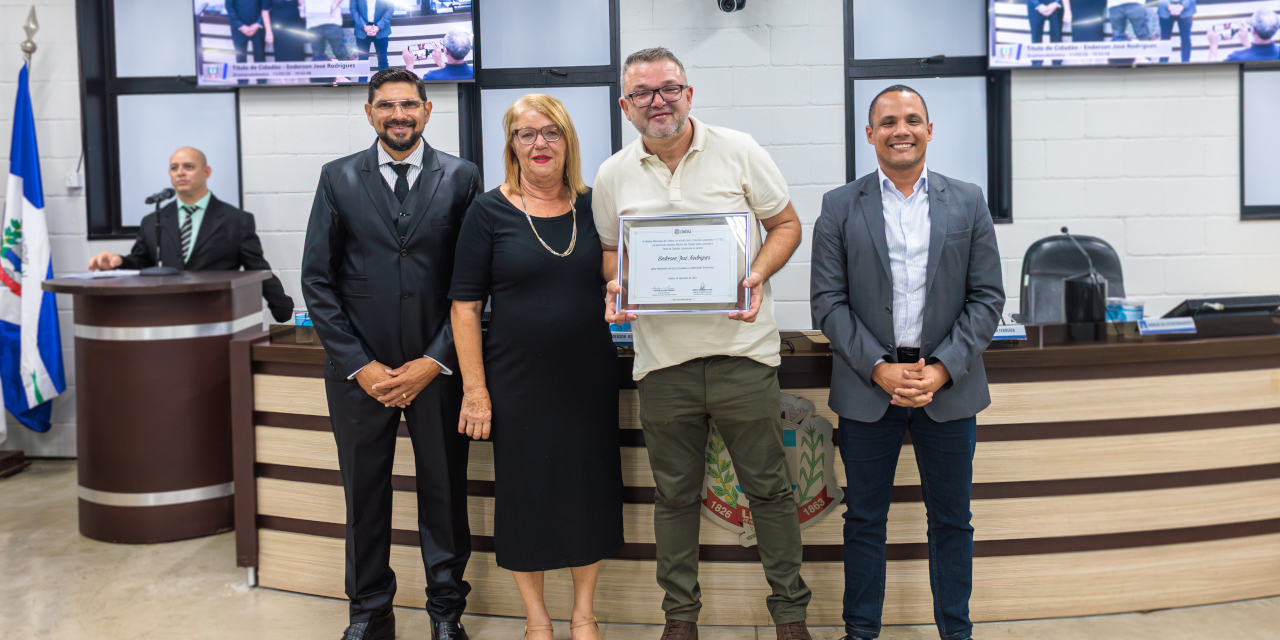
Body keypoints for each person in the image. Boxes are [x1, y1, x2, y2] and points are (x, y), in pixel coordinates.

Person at [595, 47, 812, 640]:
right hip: (663, 364)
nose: (657, 101)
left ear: (689, 94)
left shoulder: (740, 150)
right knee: (675, 498)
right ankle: (680, 621)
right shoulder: (613, 175)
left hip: (744, 356)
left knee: (769, 489)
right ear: (626, 106)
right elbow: (613, 250)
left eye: (669, 88)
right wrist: (615, 283)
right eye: (642, 93)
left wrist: (756, 275)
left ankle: (790, 616)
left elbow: (786, 224)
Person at [810, 85, 1004, 640]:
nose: (902, 129)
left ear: (930, 130)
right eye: (888, 120)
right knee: (865, 521)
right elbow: (827, 301)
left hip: (950, 389)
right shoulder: (839, 205)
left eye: (913, 119)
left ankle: (955, 632)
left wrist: (942, 368)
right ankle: (860, 632)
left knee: (952, 523)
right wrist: (878, 367)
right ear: (869, 134)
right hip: (870, 391)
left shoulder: (967, 200)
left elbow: (987, 297)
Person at [300, 67, 481, 640]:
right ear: (369, 113)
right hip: (360, 376)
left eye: (409, 105)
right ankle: (369, 611)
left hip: (439, 370)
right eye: (386, 106)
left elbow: (475, 284)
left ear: (428, 110)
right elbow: (317, 281)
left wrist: (434, 360)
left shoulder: (462, 177)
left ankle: (446, 614)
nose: (398, 115)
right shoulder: (336, 178)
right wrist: (360, 364)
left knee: (444, 494)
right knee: (365, 494)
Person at [450, 94, 623, 640]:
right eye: (526, 134)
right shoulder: (488, 211)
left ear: (567, 140)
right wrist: (474, 391)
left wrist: (627, 287)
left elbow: (617, 273)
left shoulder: (593, 206)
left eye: (550, 132)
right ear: (512, 145)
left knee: (587, 489)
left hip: (587, 376)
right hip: (516, 379)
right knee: (525, 495)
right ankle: (537, 620)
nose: (539, 143)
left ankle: (584, 614)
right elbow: (464, 306)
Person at [86, 147, 294, 323]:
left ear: (206, 171)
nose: (180, 173)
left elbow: (256, 267)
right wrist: (118, 261)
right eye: (174, 168)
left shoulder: (236, 220)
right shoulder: (153, 220)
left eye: (188, 167)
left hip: (216, 316)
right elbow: (142, 261)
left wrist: (281, 307)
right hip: (165, 316)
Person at [1208, 10, 1280, 61]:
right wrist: (1246, 43)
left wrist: (1213, 45)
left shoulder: (1236, 58)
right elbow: (1259, 56)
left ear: (1253, 30)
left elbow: (1211, 74)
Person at [352, 0, 393, 81]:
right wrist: (364, 26)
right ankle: (362, 89)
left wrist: (378, 27)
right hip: (362, 31)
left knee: (383, 61)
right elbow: (353, 9)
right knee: (363, 62)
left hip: (381, 30)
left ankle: (384, 88)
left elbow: (390, 9)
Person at [263, 0, 306, 65]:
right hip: (279, 31)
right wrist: (268, 32)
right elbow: (265, 11)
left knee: (298, 57)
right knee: (282, 58)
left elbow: (302, 5)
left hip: (296, 29)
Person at [1027, 1, 1067, 66]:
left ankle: (1057, 66)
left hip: (1056, 6)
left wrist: (1056, 3)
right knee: (1036, 37)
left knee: (1057, 37)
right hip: (1034, 5)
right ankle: (1036, 66)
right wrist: (1037, 5)